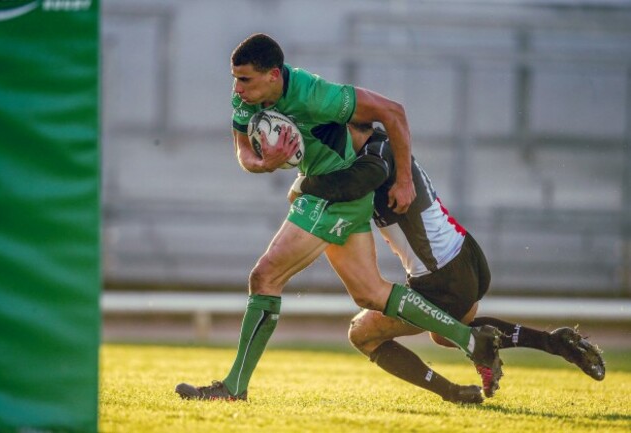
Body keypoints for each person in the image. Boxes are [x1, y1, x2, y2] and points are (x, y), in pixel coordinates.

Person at [175, 33, 503, 404]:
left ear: (273, 76)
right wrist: (263, 163)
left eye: (245, 79)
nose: (237, 88)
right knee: (370, 292)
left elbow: (392, 112)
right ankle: (472, 339)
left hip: (332, 194)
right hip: (328, 193)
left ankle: (234, 387)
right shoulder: (245, 97)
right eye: (235, 78)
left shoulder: (315, 94)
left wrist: (404, 179)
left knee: (265, 276)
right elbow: (241, 151)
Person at [287, 121, 606, 401]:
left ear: (350, 129)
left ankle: (452, 391)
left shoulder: (373, 159)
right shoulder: (388, 146)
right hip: (467, 256)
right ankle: (554, 342)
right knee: (446, 333)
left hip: (441, 277)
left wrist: (304, 184)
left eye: (334, 137)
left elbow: (350, 185)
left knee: (362, 334)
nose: (332, 146)